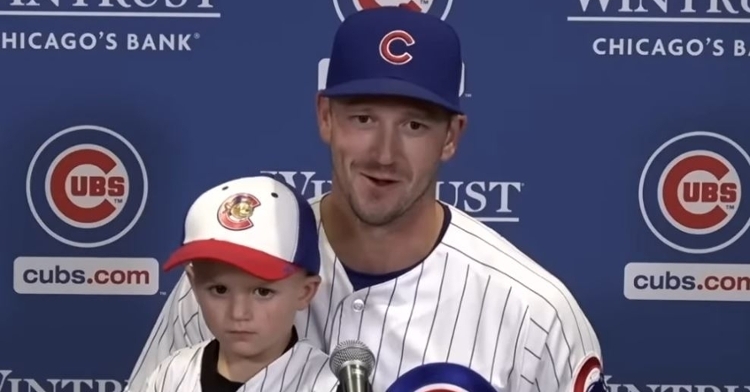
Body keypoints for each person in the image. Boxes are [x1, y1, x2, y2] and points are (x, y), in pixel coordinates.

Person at [126, 7, 606, 392]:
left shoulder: (535, 315)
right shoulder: (229, 260)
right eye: (363, 118)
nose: (384, 153)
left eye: (414, 125)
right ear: (326, 117)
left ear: (451, 137)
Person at [136, 176, 338, 392]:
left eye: (263, 292)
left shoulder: (329, 385)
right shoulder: (171, 375)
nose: (238, 313)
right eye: (220, 289)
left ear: (305, 292)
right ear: (194, 284)